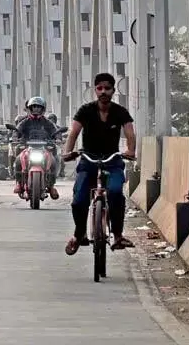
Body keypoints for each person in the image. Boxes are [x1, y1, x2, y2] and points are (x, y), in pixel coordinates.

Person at [63, 72, 137, 255]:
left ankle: (118, 235)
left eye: (107, 88)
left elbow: (130, 134)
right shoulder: (85, 110)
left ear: (113, 91)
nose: (103, 91)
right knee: (79, 199)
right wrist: (67, 152)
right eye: (100, 88)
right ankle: (79, 234)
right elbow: (73, 133)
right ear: (95, 90)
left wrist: (130, 150)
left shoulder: (120, 112)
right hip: (88, 160)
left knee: (115, 193)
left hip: (112, 161)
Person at [11, 96, 61, 199]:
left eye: (38, 107)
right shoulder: (25, 122)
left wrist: (58, 138)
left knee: (54, 161)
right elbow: (17, 130)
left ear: (43, 109)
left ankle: (51, 186)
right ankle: (19, 183)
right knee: (17, 160)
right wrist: (15, 137)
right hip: (28, 147)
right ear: (29, 108)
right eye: (33, 107)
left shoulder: (47, 122)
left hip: (44, 148)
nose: (36, 110)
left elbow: (55, 131)